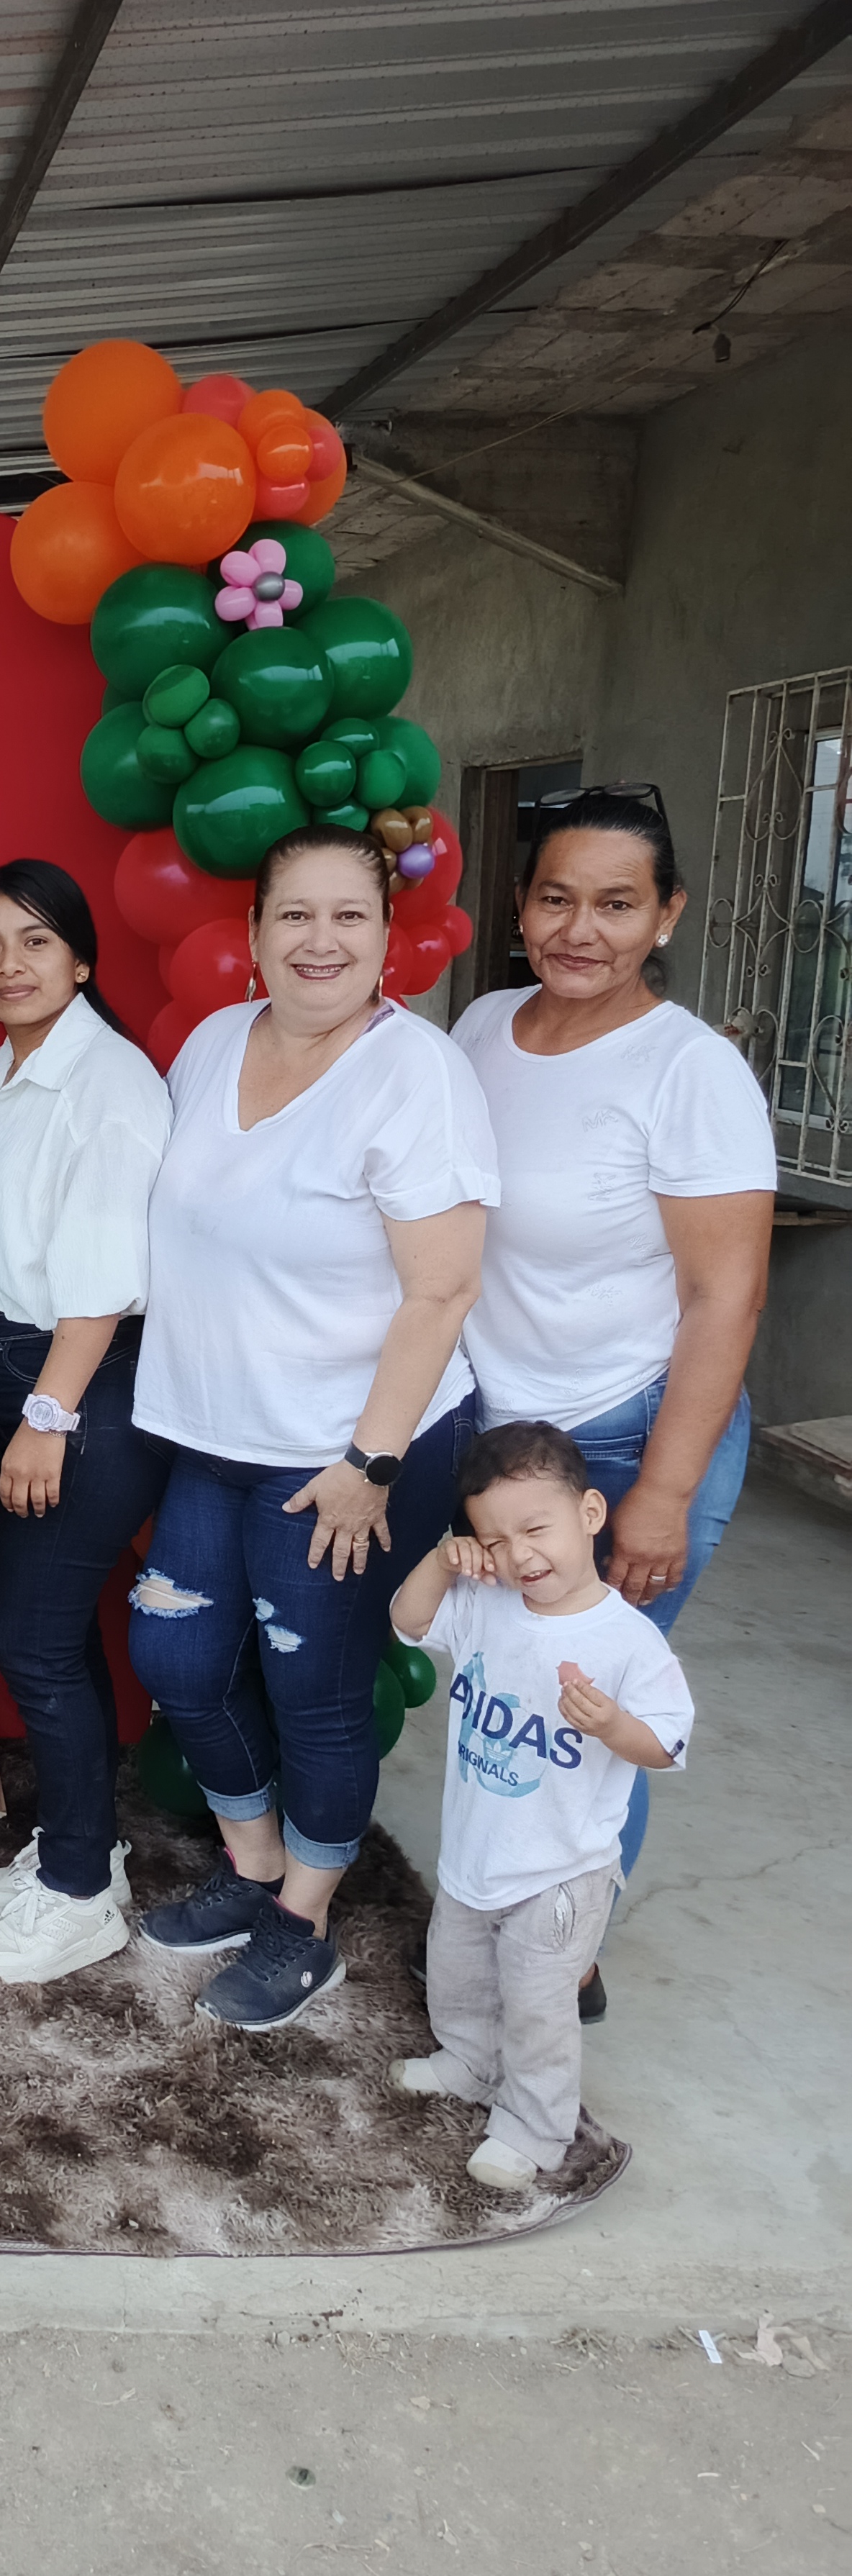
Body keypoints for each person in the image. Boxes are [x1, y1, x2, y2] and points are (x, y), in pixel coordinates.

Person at [132, 831, 497, 2030]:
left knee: (316, 1687)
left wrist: (369, 1464)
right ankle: (252, 1872)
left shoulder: (417, 1075)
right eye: (295, 915)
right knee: (179, 1659)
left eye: (350, 916)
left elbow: (443, 1289)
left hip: (348, 1448)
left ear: (389, 937)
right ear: (253, 933)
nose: (321, 941)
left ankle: (304, 1923)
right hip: (215, 1431)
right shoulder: (211, 1043)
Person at [453, 787, 774, 2008]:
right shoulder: (483, 1026)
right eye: (556, 898)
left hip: (631, 1434)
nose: (580, 930)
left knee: (584, 1708)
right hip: (503, 1440)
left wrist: (664, 1495)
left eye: (618, 905)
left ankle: (560, 1960)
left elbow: (725, 1298)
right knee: (504, 1693)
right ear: (520, 905)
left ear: (666, 914)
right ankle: (501, 1917)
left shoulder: (690, 1071)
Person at [0, 861, 173, 1989]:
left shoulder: (108, 1081)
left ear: (81, 960)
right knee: (56, 1627)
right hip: (13, 1362)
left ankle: (80, 1896)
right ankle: (87, 1850)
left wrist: (47, 1414)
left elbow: (104, 1276)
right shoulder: (6, 1067)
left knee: (32, 1641)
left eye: (36, 942)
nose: (11, 966)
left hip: (80, 1380)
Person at [386, 1418, 693, 2190]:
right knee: (458, 1974)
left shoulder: (628, 1641)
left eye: (535, 1529)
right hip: (475, 1849)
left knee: (537, 2005)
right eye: (494, 1540)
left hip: (561, 1871)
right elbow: (408, 1621)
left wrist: (614, 1726)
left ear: (590, 1513)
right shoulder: (486, 1603)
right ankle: (468, 2061)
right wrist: (442, 1558)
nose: (519, 1555)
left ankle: (535, 2126)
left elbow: (666, 1743)